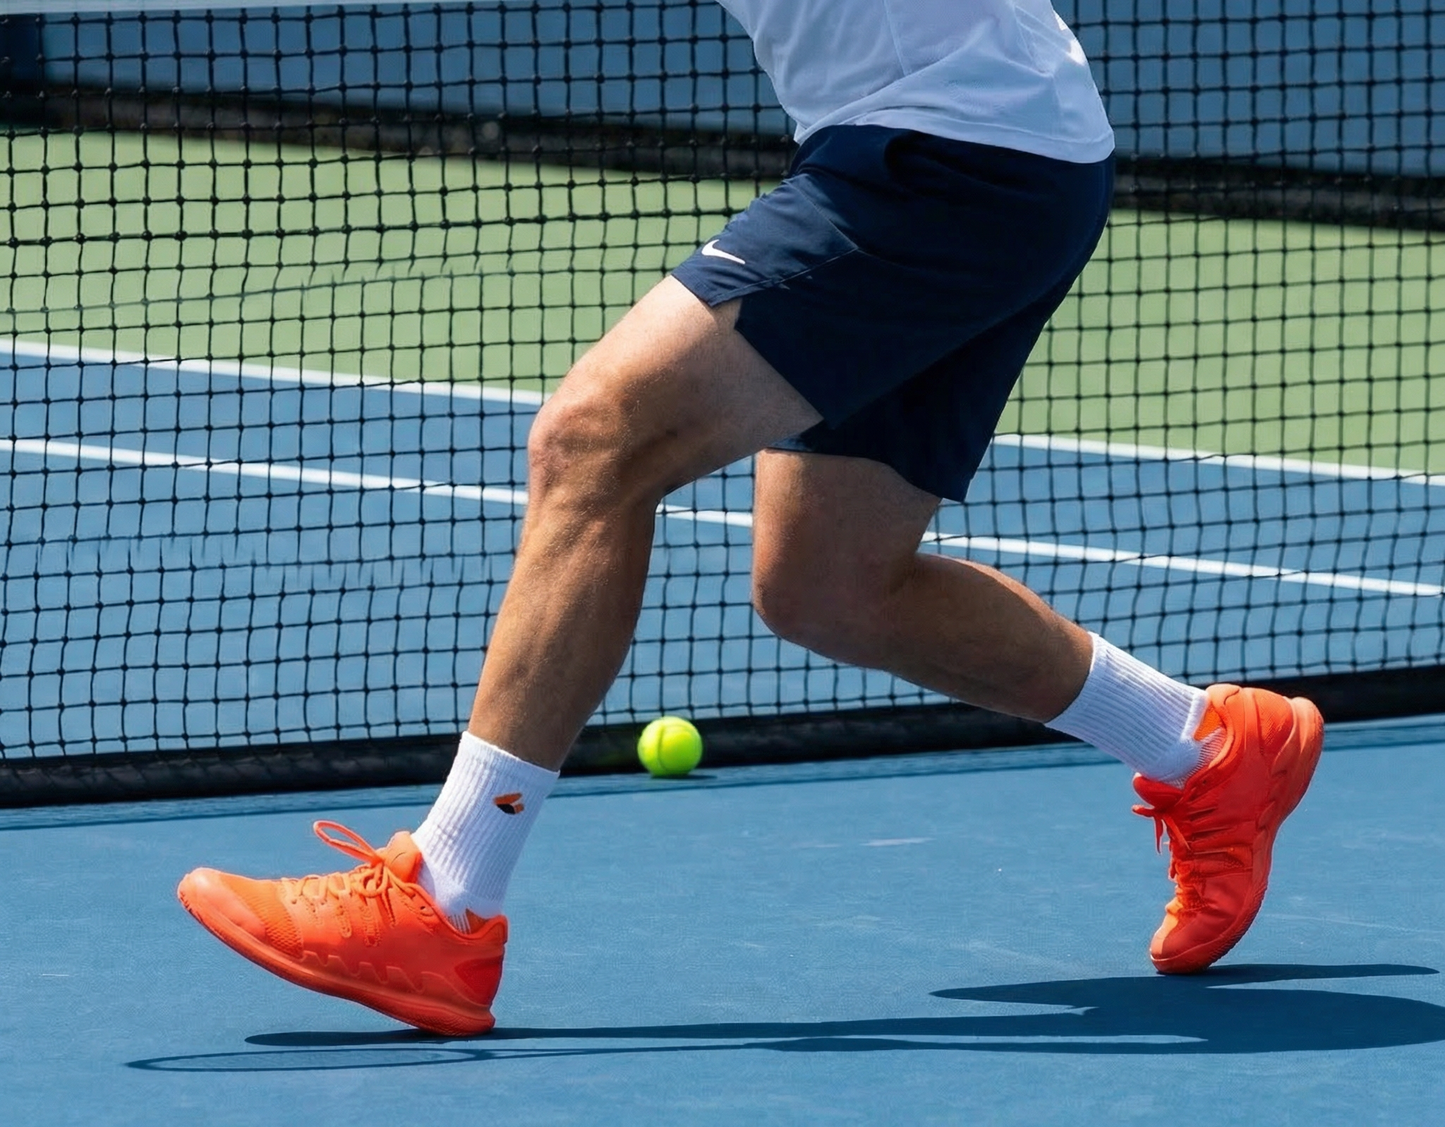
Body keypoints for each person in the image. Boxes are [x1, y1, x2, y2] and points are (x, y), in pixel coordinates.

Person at [177, 0, 1323, 1036]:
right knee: (829, 585)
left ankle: (444, 893)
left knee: (593, 443)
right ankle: (1205, 745)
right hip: (991, 155)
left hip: (947, 159)